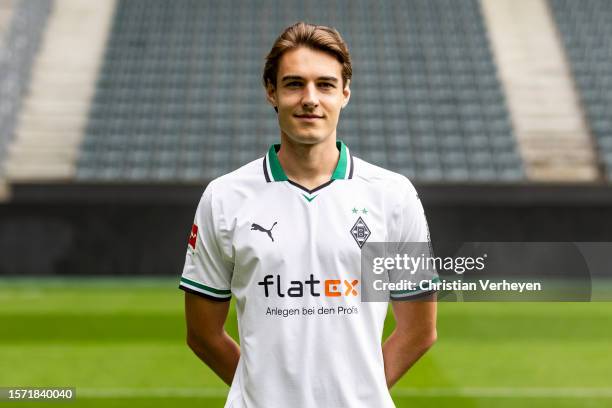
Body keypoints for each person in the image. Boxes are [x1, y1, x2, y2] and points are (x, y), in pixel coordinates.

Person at [180, 21, 437, 408]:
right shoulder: (224, 197)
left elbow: (420, 330)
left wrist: (360, 393)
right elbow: (202, 334)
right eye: (295, 83)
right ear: (272, 92)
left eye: (326, 85)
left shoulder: (392, 195)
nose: (310, 98)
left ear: (345, 93)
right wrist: (261, 393)